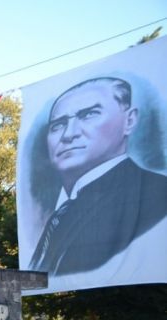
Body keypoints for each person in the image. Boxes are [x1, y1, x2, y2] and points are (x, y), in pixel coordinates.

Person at [29, 77, 167, 275]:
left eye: (89, 114)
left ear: (129, 120)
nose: (69, 134)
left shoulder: (157, 194)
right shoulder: (60, 210)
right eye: (58, 125)